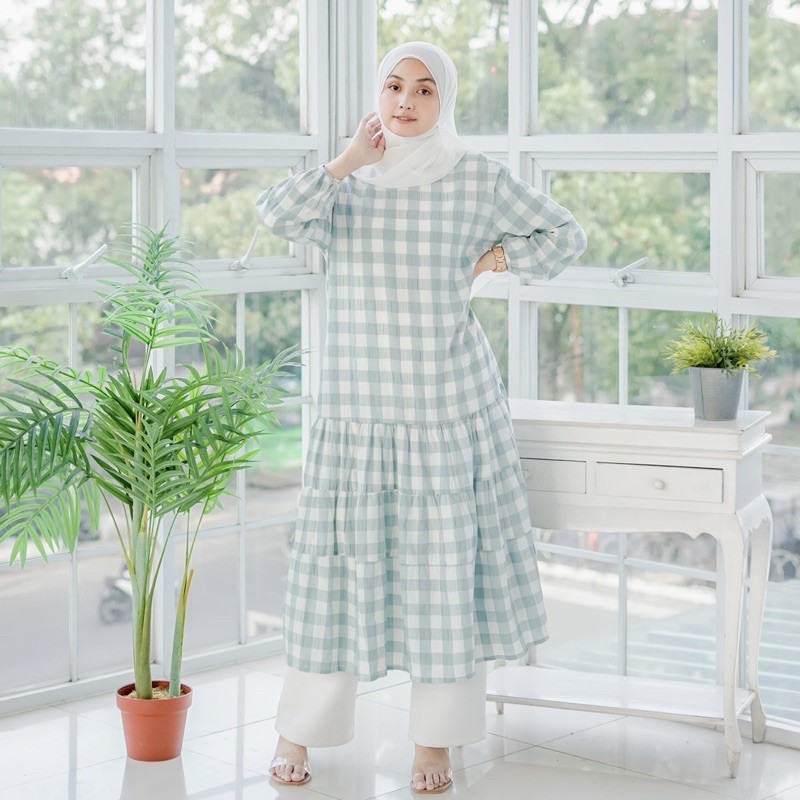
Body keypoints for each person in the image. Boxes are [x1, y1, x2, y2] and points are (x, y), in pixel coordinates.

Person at [256, 41, 587, 795]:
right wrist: (347, 160)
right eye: (395, 85)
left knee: (443, 577)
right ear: (377, 94)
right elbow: (275, 214)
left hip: (445, 405)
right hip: (356, 411)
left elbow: (565, 235)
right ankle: (297, 730)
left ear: (446, 101)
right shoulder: (346, 185)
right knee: (335, 578)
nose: (406, 101)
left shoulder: (475, 178)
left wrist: (496, 260)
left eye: (426, 89)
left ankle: (434, 742)